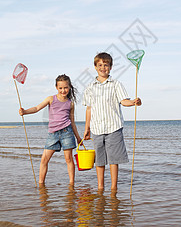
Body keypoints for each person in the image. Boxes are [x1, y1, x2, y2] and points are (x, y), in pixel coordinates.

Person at [83, 52, 142, 191]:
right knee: (100, 160)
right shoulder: (90, 87)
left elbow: (123, 101)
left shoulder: (116, 84)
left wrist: (134, 102)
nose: (103, 68)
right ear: (95, 67)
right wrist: (87, 128)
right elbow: (89, 109)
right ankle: (100, 186)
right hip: (96, 128)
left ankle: (114, 187)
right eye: (100, 65)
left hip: (114, 127)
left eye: (106, 65)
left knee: (114, 160)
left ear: (110, 67)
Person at [19, 74, 81, 185]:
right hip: (53, 134)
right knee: (44, 159)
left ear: (70, 87)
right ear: (56, 87)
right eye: (60, 88)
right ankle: (41, 183)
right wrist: (25, 112)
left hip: (67, 132)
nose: (63, 90)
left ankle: (71, 184)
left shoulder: (70, 103)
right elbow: (37, 108)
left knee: (69, 159)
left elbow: (72, 122)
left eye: (65, 87)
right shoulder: (51, 99)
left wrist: (78, 137)